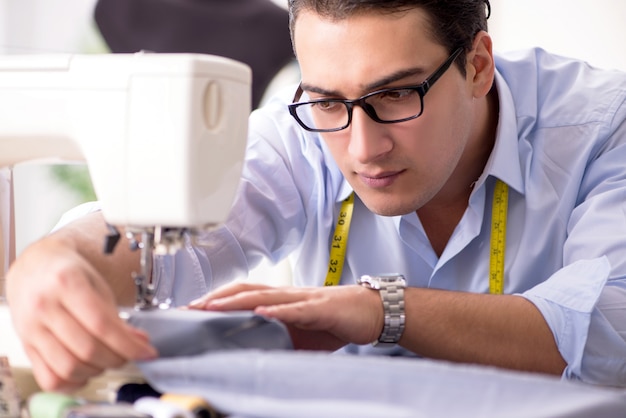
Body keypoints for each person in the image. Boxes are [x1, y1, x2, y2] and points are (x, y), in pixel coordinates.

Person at [6, 0, 626, 392]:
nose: (362, 148)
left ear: (478, 66)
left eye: (395, 96)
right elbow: (173, 245)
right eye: (329, 100)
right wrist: (61, 257)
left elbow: (607, 336)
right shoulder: (297, 131)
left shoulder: (604, 127)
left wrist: (378, 309)